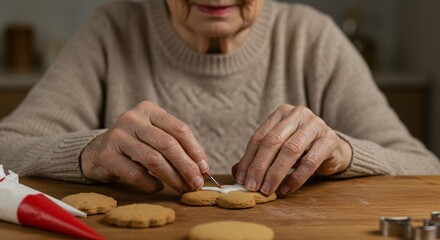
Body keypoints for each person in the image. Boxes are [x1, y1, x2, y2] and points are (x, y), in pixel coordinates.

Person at [1, 0, 439, 197]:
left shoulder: (312, 38)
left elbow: (425, 169)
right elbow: (7, 146)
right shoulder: (110, 31)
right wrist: (88, 153)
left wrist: (343, 152)